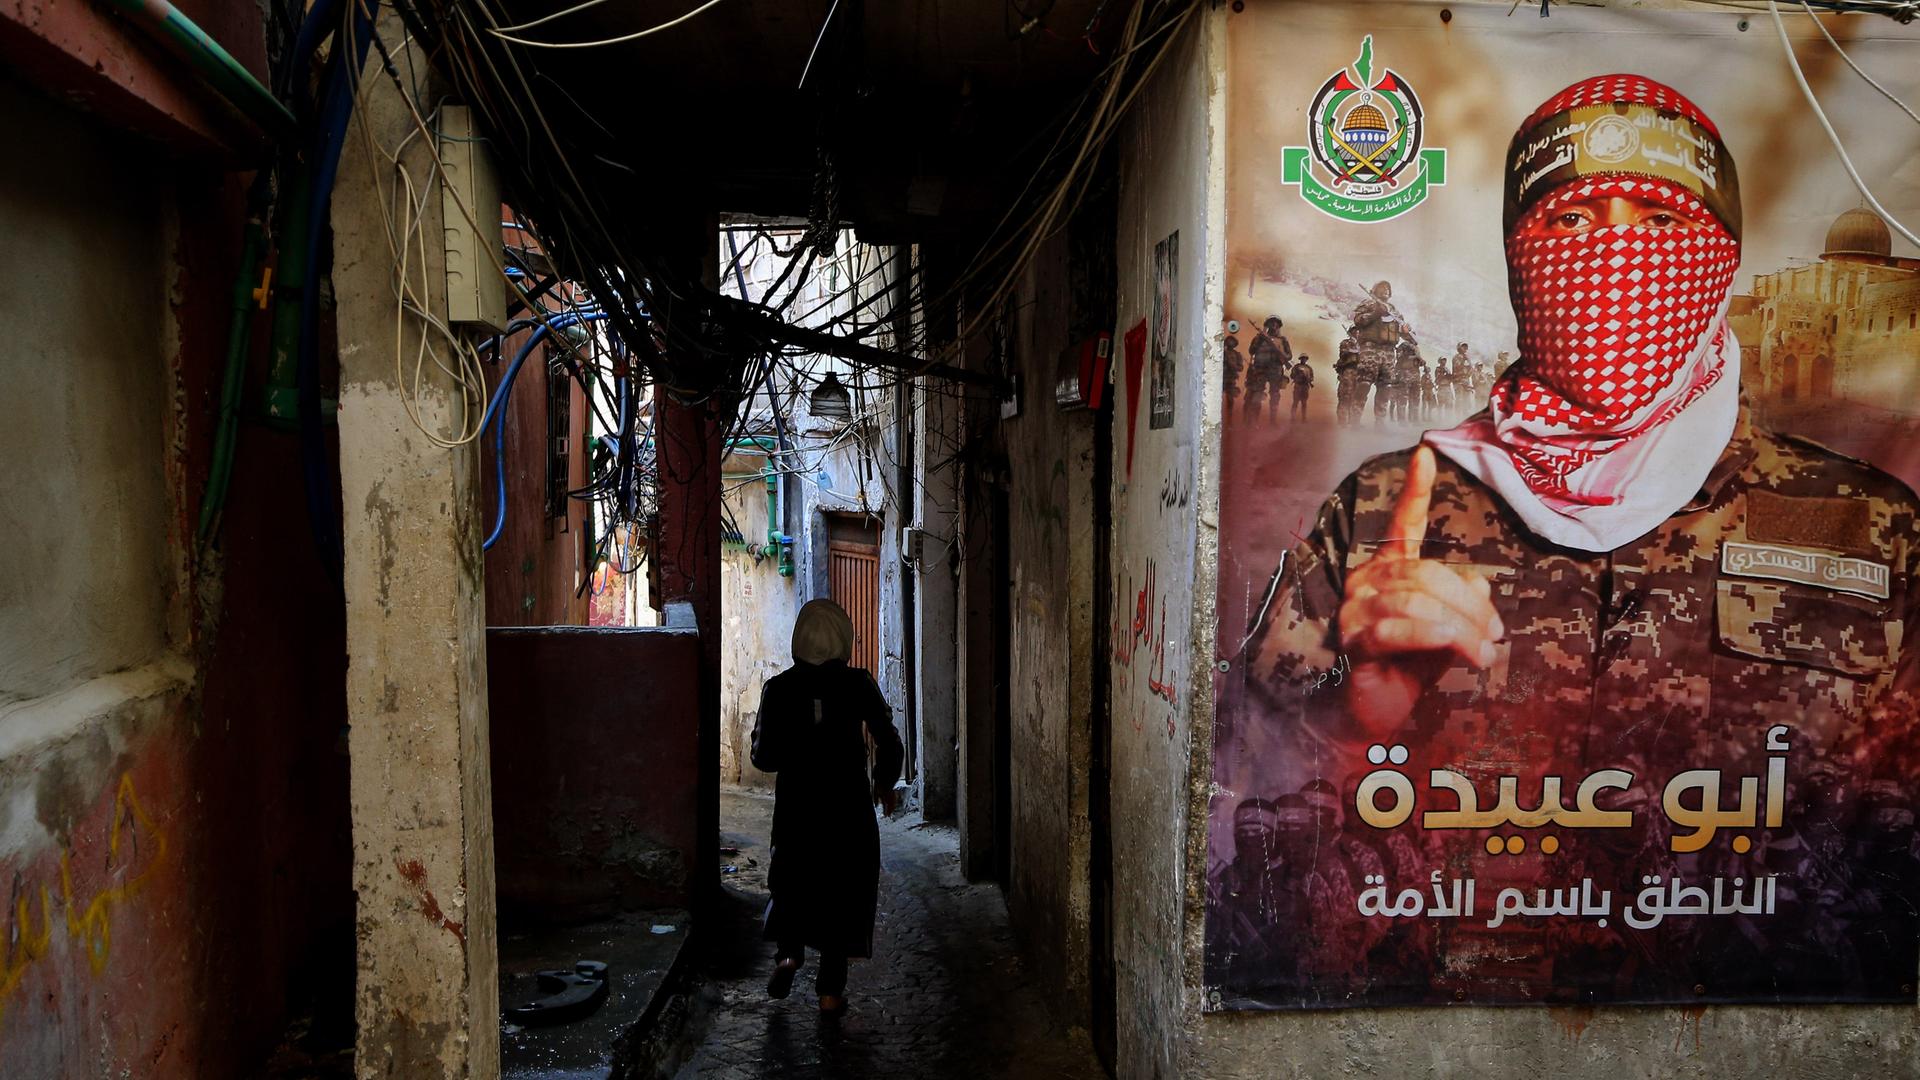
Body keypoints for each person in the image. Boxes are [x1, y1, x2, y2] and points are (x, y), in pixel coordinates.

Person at [1240, 75, 1920, 998]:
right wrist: (1353, 716)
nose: (1615, 253)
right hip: (1447, 1016)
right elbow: (1247, 799)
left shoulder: (1869, 526)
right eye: (1570, 224)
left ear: (1718, 259)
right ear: (1522, 263)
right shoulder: (1384, 510)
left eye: (1659, 219)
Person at [752, 599, 905, 1015]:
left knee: (791, 878)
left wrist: (796, 749)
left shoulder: (779, 689)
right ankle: (830, 992)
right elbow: (889, 739)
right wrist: (884, 783)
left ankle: (788, 955)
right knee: (844, 889)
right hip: (847, 809)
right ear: (844, 638)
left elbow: (762, 757)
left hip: (797, 810)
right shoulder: (858, 684)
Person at [1244, 316, 1291, 424]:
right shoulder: (1259, 338)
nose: (1274, 325)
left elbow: (1289, 356)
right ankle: (1254, 421)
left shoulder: (1283, 340)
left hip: (1275, 369)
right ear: (1267, 325)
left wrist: (1280, 353)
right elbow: (1252, 351)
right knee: (1258, 393)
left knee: (1274, 395)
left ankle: (1272, 421)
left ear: (1278, 326)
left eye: (1276, 324)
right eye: (1271, 323)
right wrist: (1260, 339)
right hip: (1260, 369)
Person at [1223, 333, 1245, 414]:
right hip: (1220, 378)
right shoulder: (1220, 352)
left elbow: (1241, 368)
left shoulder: (1236, 354)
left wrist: (1233, 366)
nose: (1230, 343)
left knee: (1230, 399)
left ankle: (1229, 419)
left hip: (1230, 379)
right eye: (1228, 341)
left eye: (1232, 342)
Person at [1289, 354, 1314, 421]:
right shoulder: (1296, 367)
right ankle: (1293, 417)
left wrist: (1309, 380)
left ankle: (1303, 418)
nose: (1304, 359)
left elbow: (1311, 377)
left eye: (1305, 358)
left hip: (1305, 386)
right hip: (1298, 386)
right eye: (1302, 358)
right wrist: (1298, 376)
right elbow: (1292, 375)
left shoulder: (1309, 368)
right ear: (1300, 359)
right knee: (1295, 402)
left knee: (1304, 403)